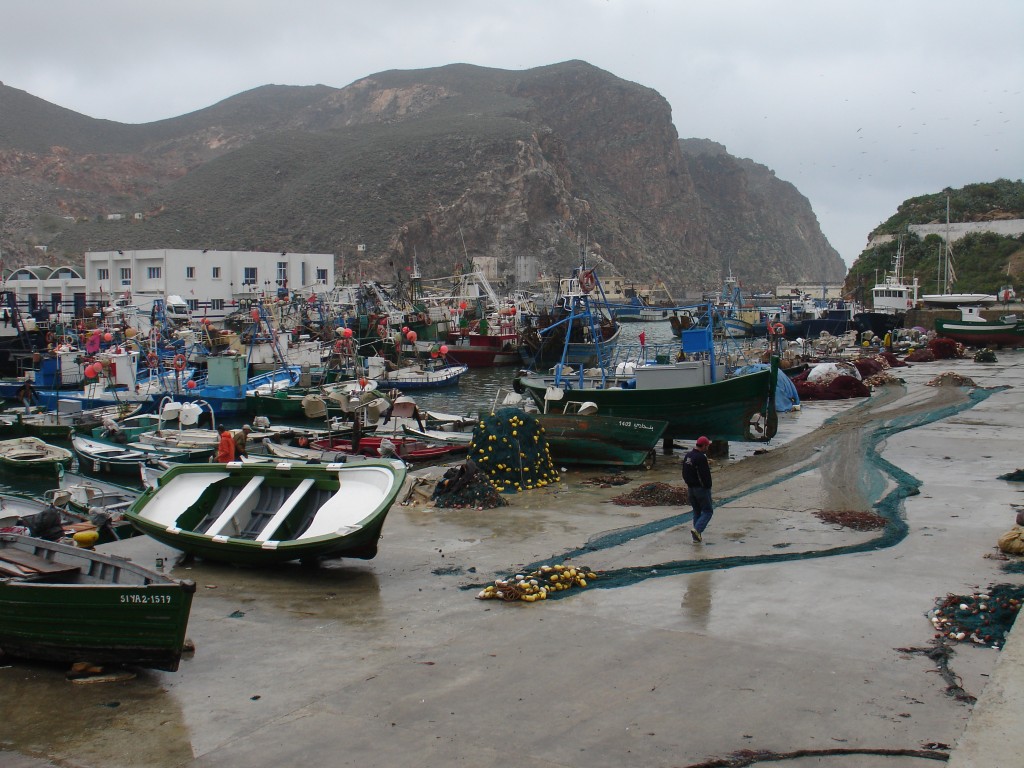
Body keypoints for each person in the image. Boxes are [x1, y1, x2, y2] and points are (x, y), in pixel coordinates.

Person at [681, 435, 714, 542]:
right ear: (704, 446)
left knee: (696, 511)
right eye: (707, 446)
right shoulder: (701, 458)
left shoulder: (688, 456)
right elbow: (704, 475)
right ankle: (697, 529)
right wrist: (707, 486)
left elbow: (684, 472)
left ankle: (696, 537)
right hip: (701, 489)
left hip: (690, 488)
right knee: (708, 511)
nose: (707, 448)